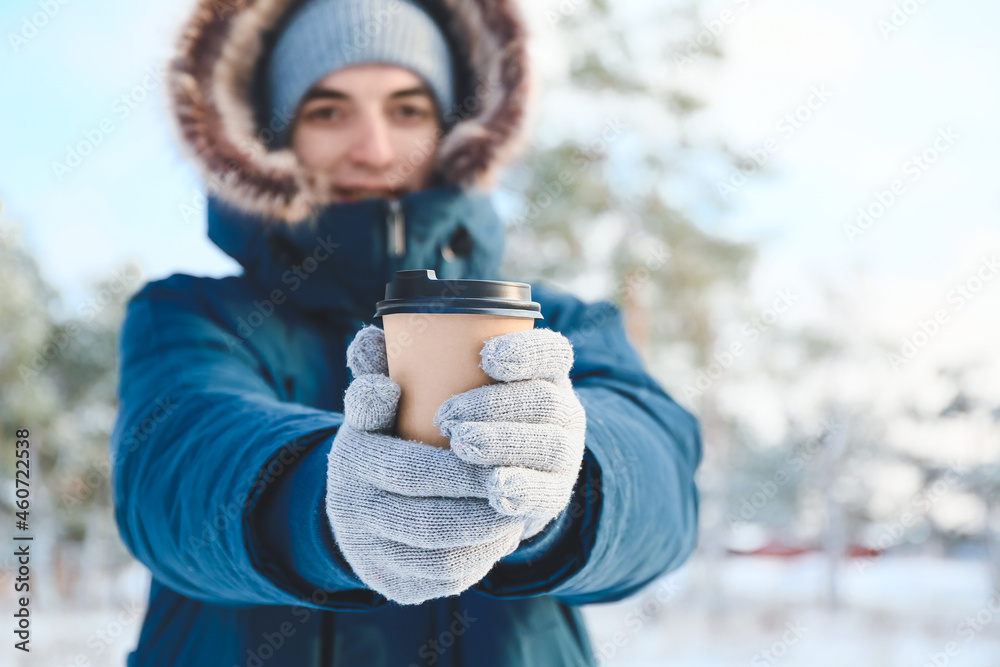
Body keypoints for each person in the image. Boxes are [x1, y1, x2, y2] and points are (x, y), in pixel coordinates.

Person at [109, 0, 703, 664]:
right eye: (328, 110)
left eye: (408, 109)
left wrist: (558, 488)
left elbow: (666, 488)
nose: (374, 148)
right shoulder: (191, 314)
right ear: (275, 135)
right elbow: (174, 471)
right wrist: (327, 505)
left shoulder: (557, 323)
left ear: (456, 129)